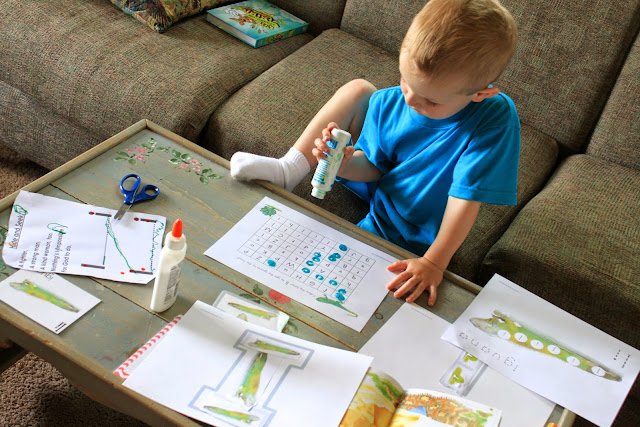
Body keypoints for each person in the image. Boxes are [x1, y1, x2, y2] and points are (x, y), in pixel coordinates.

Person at [229, 0, 520, 306]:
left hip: (417, 221)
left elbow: (466, 197)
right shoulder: (391, 103)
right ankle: (289, 169)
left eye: (431, 101)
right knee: (359, 89)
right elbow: (374, 167)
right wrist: (342, 165)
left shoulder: (495, 118)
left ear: (481, 93)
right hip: (387, 186)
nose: (410, 100)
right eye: (405, 80)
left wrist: (435, 262)